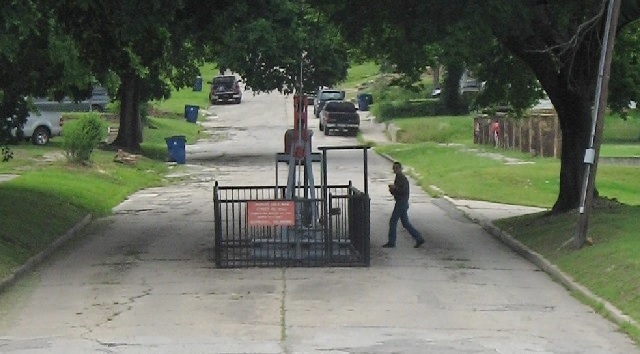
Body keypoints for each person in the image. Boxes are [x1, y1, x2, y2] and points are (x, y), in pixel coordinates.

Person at [383, 162, 425, 248]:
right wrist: (392, 190)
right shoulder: (398, 178)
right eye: (394, 168)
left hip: (401, 203)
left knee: (393, 221)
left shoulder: (402, 178)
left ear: (400, 168)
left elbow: (403, 191)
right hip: (401, 202)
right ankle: (418, 238)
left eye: (396, 168)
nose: (394, 170)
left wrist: (394, 188)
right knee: (405, 223)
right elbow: (397, 192)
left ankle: (391, 242)